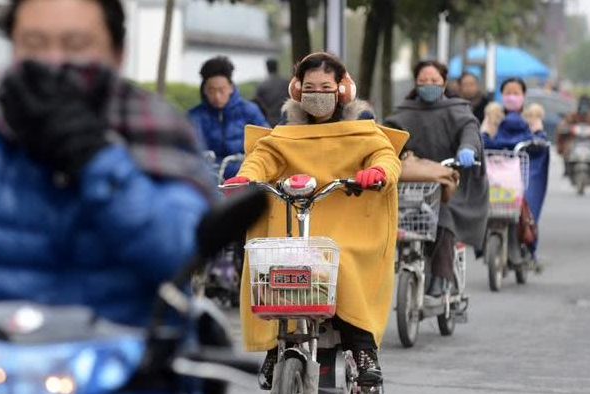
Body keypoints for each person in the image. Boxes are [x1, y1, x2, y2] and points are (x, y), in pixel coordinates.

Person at [0, 0, 214, 327]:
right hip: (0, 365)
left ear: (118, 54)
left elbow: (178, 254)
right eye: (33, 44)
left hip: (130, 364)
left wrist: (96, 157)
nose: (54, 61)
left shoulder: (158, 131)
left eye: (76, 46)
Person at [224, 52, 407, 389]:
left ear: (342, 89)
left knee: (345, 263)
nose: (318, 94)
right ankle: (273, 346)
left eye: (326, 86)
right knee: (271, 261)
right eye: (310, 87)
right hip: (296, 223)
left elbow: (384, 155)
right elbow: (262, 157)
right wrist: (244, 176)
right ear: (297, 90)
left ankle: (363, 349)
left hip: (346, 225)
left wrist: (377, 172)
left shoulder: (361, 131)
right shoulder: (284, 133)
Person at [385, 60, 489, 301]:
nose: (428, 85)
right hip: (411, 184)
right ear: (415, 83)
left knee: (442, 218)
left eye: (434, 81)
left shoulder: (457, 109)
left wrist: (467, 149)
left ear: (444, 82)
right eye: (423, 81)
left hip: (448, 183)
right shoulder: (403, 112)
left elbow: (469, 131)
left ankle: (442, 277)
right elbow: (387, 137)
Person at [481, 77, 549, 260]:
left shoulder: (532, 116)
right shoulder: (493, 115)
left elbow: (540, 138)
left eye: (516, 93)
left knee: (526, 202)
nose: (511, 97)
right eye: (507, 93)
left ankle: (527, 242)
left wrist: (538, 141)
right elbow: (483, 136)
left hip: (522, 171)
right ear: (501, 95)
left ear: (523, 95)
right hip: (497, 172)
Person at [188, 56, 269, 180]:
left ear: (231, 88)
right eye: (211, 90)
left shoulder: (250, 111)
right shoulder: (194, 116)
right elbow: (189, 151)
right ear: (204, 90)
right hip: (209, 177)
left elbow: (267, 144)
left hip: (245, 175)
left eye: (221, 90)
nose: (217, 96)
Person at [556, 94, 590, 170]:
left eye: (586, 104)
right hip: (574, 141)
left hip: (587, 142)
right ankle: (567, 168)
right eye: (582, 103)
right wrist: (569, 128)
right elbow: (563, 126)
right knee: (567, 147)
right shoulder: (572, 115)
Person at [253, 58, 289, 127]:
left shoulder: (262, 85)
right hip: (285, 118)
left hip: (269, 120)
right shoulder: (286, 82)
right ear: (277, 67)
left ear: (267, 68)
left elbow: (256, 102)